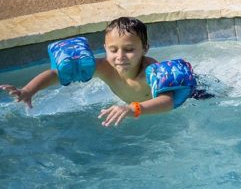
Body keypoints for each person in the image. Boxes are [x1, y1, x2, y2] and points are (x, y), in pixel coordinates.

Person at [1, 17, 197, 127]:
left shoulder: (149, 70)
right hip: (133, 107)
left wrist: (132, 109)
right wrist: (28, 91)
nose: (120, 56)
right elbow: (59, 73)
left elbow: (168, 101)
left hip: (194, 97)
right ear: (105, 47)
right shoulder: (104, 67)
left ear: (145, 48)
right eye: (113, 50)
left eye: (129, 50)